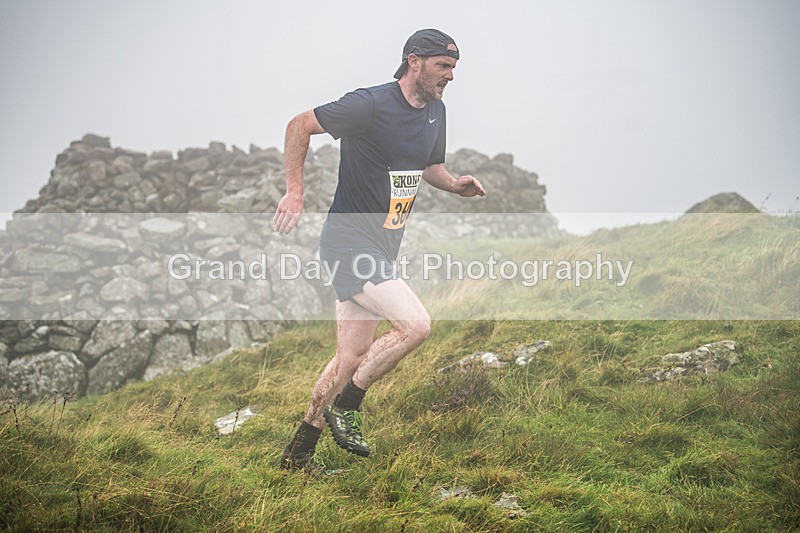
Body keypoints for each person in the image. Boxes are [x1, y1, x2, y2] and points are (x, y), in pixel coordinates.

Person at [273, 28, 485, 473]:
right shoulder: (368, 104)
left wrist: (454, 184)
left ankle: (297, 455)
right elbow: (299, 125)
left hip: (383, 245)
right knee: (415, 325)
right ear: (414, 61)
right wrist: (295, 192)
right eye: (443, 66)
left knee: (350, 356)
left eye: (453, 68)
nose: (450, 76)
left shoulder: (436, 112)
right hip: (349, 242)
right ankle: (348, 404)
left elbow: (430, 166)